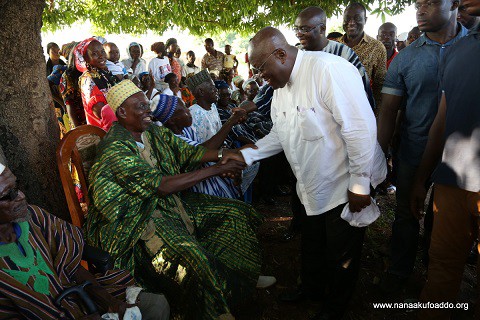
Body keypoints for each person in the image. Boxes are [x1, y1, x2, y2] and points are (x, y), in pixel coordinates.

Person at [85, 79, 272, 320]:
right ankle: (215, 312)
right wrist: (216, 169)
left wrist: (225, 154)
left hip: (166, 204)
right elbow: (161, 186)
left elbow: (191, 152)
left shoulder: (152, 132)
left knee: (234, 213)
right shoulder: (115, 149)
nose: (148, 112)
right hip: (135, 221)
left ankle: (241, 276)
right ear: (122, 112)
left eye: (147, 106)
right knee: (192, 255)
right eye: (141, 107)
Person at [243, 26, 385, 319]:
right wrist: (245, 155)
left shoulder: (328, 70)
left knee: (341, 255)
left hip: (344, 184)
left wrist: (360, 184)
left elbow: (361, 129)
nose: (260, 77)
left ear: (281, 54)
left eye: (261, 69)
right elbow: (279, 134)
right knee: (313, 246)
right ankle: (311, 290)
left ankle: (334, 308)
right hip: (311, 185)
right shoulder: (280, 88)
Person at [377, 0, 468, 294]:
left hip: (462, 158)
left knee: (444, 221)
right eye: (417, 4)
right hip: (414, 151)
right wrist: (378, 157)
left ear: (454, 3)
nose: (420, 9)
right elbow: (388, 112)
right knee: (406, 214)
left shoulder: (474, 48)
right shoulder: (405, 59)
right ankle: (399, 272)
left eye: (430, 2)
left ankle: (437, 276)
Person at [0, 164, 169, 320]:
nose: (21, 196)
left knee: (157, 306)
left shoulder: (35, 216)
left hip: (79, 295)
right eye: (8, 195)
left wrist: (107, 301)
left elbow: (71, 266)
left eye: (17, 187)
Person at [410, 2, 480, 318]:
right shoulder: (460, 48)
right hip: (451, 183)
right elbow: (442, 118)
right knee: (442, 264)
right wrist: (422, 179)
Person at [157, 92, 246, 199]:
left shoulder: (186, 129)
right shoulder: (173, 140)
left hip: (209, 175)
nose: (188, 110)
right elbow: (203, 151)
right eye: (184, 110)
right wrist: (231, 121)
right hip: (197, 186)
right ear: (172, 120)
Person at [294, 6, 375, 109]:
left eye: (304, 29)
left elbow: (363, 90)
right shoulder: (296, 54)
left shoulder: (344, 54)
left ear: (322, 29)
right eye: (296, 28)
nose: (298, 34)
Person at [334, 2, 387, 108]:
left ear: (365, 20)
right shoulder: (334, 45)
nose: (351, 22)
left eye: (357, 18)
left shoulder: (377, 47)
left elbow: (379, 85)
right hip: (334, 106)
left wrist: (376, 115)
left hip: (362, 108)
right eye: (347, 18)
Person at [75, 38, 120, 131]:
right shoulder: (88, 79)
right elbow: (102, 113)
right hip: (104, 132)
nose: (101, 56)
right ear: (85, 58)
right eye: (95, 54)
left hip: (117, 125)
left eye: (102, 51)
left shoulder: (104, 73)